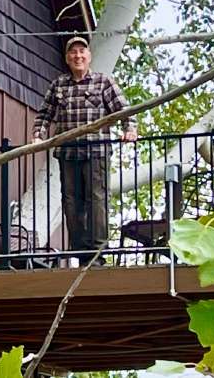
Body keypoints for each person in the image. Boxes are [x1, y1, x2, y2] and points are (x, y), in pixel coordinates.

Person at [33, 36, 137, 264]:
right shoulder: (59, 85)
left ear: (89, 56)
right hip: (68, 152)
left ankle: (97, 252)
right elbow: (44, 114)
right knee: (71, 202)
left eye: (82, 51)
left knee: (96, 199)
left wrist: (129, 129)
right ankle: (80, 251)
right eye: (73, 52)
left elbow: (124, 110)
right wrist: (38, 135)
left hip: (96, 151)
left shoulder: (102, 82)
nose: (78, 56)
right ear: (67, 58)